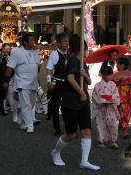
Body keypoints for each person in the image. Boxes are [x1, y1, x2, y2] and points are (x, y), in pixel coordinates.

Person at [51, 34, 100, 171]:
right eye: (85, 47)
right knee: (71, 133)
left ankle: (84, 161)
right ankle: (55, 152)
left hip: (83, 102)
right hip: (71, 101)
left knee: (86, 131)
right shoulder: (73, 60)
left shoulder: (82, 61)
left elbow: (89, 81)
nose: (87, 49)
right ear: (81, 47)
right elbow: (70, 78)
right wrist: (82, 92)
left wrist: (85, 75)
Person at [5, 33, 40, 133]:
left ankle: (20, 120)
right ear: (25, 42)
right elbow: (9, 67)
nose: (34, 42)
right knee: (25, 104)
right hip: (22, 82)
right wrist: (6, 81)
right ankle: (30, 126)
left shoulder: (35, 53)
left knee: (32, 103)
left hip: (33, 82)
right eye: (32, 40)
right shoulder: (17, 52)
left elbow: (38, 67)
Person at [46, 32, 70, 136]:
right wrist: (49, 82)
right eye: (64, 41)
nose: (66, 43)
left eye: (67, 41)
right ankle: (57, 129)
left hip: (68, 83)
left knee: (68, 107)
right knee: (55, 107)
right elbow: (49, 70)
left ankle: (70, 128)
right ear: (58, 43)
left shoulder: (70, 54)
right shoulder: (54, 54)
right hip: (57, 82)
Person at [92, 65, 120, 149]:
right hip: (101, 108)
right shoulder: (98, 85)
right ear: (103, 75)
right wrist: (103, 101)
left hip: (111, 107)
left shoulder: (113, 84)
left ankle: (113, 141)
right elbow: (95, 96)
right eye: (107, 75)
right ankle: (100, 141)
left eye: (110, 75)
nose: (109, 77)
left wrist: (113, 100)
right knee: (101, 124)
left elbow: (116, 95)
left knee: (113, 124)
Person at [112, 57, 131, 137]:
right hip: (118, 97)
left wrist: (129, 84)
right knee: (122, 113)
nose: (116, 66)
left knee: (125, 113)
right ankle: (122, 129)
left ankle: (122, 129)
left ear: (122, 65)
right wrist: (120, 81)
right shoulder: (116, 75)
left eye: (118, 64)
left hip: (127, 97)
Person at [0, 43, 11, 115]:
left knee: (3, 95)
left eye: (9, 49)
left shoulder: (8, 57)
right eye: (6, 49)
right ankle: (2, 110)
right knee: (1, 94)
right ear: (3, 49)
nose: (8, 50)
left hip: (5, 77)